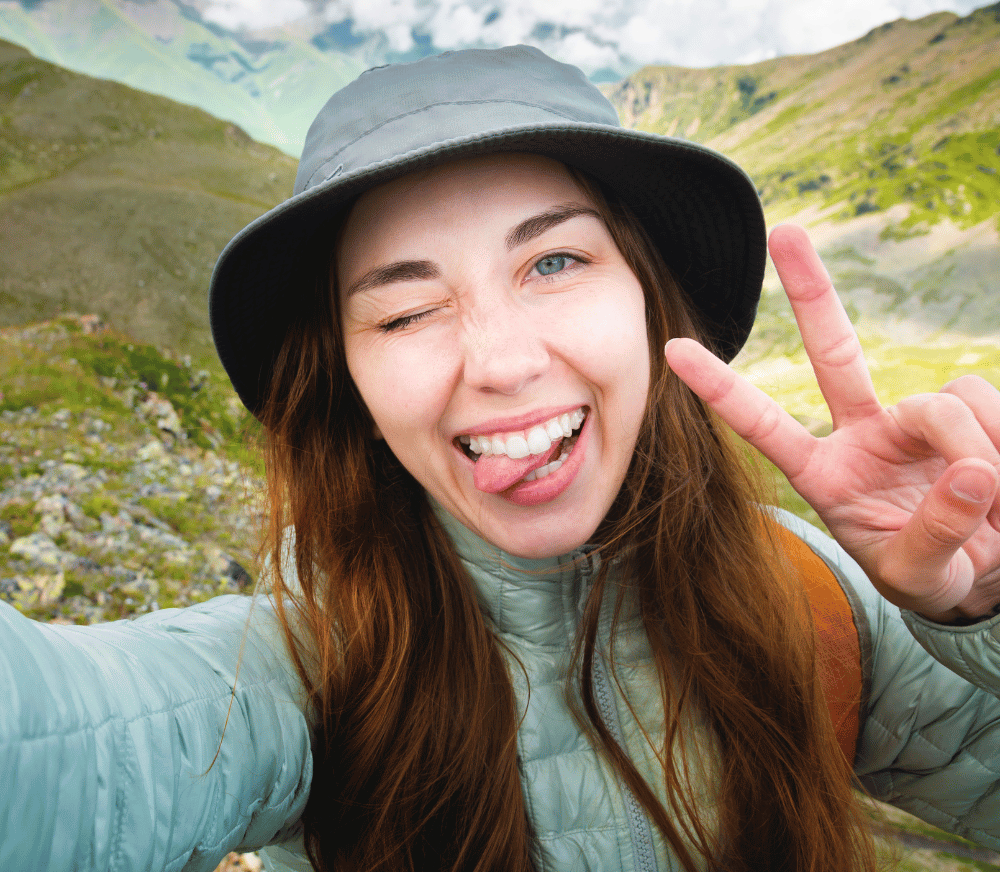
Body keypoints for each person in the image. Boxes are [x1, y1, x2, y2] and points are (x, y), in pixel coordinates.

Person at [1, 45, 998, 872]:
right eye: (405, 308)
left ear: (646, 295)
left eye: (554, 261)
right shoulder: (312, 661)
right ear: (347, 376)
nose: (505, 363)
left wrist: (981, 607)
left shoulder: (817, 597)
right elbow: (51, 751)